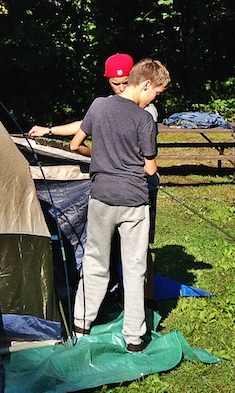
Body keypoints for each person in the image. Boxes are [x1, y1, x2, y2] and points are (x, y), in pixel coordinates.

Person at [68, 58, 169, 352]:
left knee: (95, 261)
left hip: (100, 197)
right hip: (133, 202)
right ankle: (134, 338)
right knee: (134, 267)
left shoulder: (98, 106)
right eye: (157, 93)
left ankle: (80, 323)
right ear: (146, 84)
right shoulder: (144, 119)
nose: (155, 99)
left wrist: (100, 156)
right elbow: (150, 169)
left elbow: (75, 145)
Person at [27, 54, 154, 152]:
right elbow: (85, 124)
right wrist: (48, 130)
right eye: (115, 83)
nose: (121, 88)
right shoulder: (106, 104)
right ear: (108, 81)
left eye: (125, 82)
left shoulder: (147, 109)